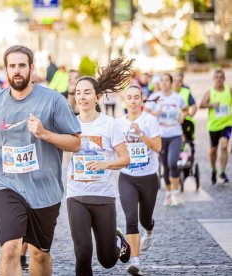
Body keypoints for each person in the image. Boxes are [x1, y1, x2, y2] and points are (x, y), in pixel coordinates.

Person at [0, 45, 81, 276]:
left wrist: (45, 134)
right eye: (12, 66)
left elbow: (76, 142)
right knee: (10, 249)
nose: (17, 71)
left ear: (31, 68)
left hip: (44, 190)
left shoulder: (52, 101)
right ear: (6, 69)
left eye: (22, 65)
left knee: (39, 255)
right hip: (6, 183)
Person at [66, 57, 133, 276]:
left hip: (104, 195)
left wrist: (105, 163)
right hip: (76, 195)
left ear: (97, 97)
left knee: (107, 260)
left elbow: (125, 159)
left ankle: (117, 239)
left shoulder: (109, 124)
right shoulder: (69, 123)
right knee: (83, 252)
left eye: (86, 92)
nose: (81, 97)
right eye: (78, 92)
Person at [117, 86, 162, 275]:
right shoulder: (118, 124)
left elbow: (158, 147)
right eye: (130, 97)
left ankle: (149, 230)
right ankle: (135, 261)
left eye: (137, 97)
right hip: (127, 178)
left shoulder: (150, 121)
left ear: (141, 100)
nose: (133, 101)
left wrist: (140, 133)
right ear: (124, 100)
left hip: (149, 178)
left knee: (145, 219)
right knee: (130, 218)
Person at [145, 73, 187, 206]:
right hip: (160, 136)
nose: (164, 83)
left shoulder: (177, 98)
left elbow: (185, 110)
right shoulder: (154, 97)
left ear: (171, 82)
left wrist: (183, 116)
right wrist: (155, 113)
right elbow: (144, 113)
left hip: (175, 134)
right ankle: (168, 194)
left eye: (167, 80)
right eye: (161, 80)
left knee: (172, 162)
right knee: (165, 165)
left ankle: (176, 192)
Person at [199, 69, 232, 184]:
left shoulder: (229, 90)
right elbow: (201, 105)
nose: (219, 79)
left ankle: (222, 172)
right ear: (213, 79)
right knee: (213, 150)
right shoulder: (210, 92)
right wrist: (211, 105)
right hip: (213, 126)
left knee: (224, 145)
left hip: (227, 124)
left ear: (224, 79)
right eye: (216, 77)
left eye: (221, 77)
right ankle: (213, 169)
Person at [173, 73, 197, 141]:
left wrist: (189, 116)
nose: (177, 83)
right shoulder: (167, 92)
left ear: (182, 83)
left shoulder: (186, 92)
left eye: (179, 81)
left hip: (183, 121)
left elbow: (194, 106)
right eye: (175, 81)